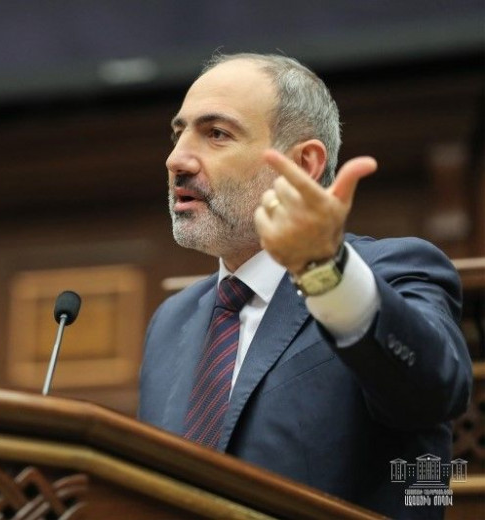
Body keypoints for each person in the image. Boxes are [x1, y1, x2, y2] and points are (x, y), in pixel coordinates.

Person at [138, 52, 472, 519]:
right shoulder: (171, 322)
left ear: (303, 163)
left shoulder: (393, 271)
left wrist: (323, 271)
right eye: (179, 134)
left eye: (216, 134)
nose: (177, 159)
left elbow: (434, 393)